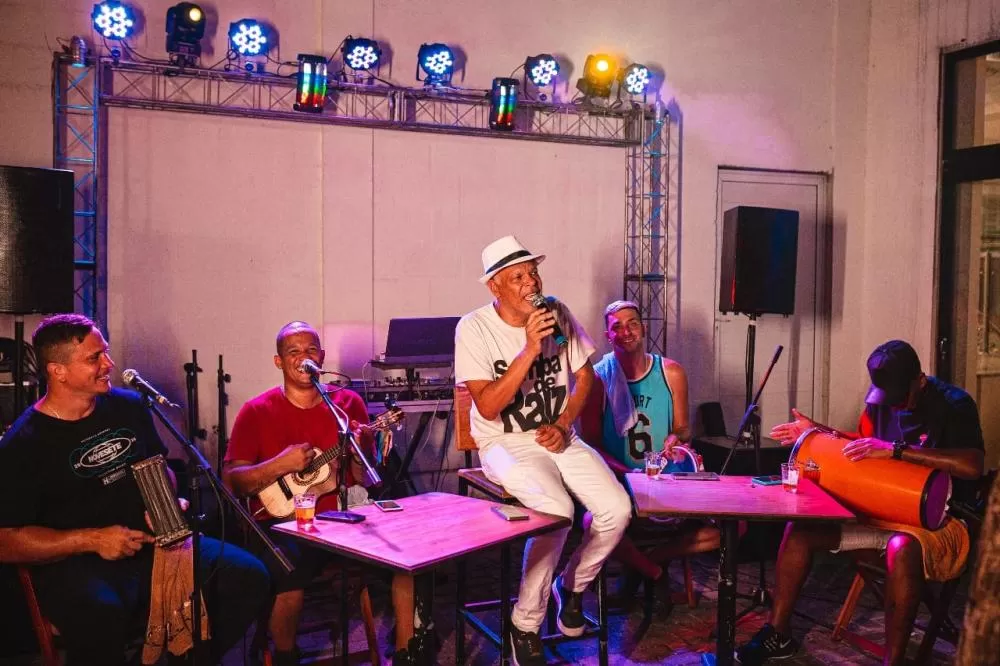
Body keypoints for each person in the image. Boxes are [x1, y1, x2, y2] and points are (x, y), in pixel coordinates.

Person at [0, 314, 270, 666]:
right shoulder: (23, 444)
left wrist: (165, 502)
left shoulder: (127, 406)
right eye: (94, 358)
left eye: (106, 352)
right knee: (100, 613)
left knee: (249, 577)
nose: (108, 364)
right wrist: (93, 539)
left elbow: (160, 467)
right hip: (77, 564)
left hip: (154, 546)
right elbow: (6, 541)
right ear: (58, 371)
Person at [736, 340, 986, 666]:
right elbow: (863, 445)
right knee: (801, 531)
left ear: (920, 380)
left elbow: (973, 465)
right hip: (881, 511)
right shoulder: (880, 401)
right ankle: (778, 633)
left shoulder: (954, 405)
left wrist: (897, 450)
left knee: (901, 548)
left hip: (939, 523)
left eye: (900, 399)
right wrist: (817, 431)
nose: (893, 407)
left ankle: (893, 662)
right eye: (887, 399)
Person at [455, 235, 632, 666]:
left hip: (557, 434)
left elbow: (585, 376)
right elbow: (489, 406)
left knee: (617, 509)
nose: (530, 282)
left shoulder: (556, 311)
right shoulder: (474, 328)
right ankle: (525, 622)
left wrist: (565, 421)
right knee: (557, 510)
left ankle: (570, 586)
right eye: (517, 276)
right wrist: (530, 348)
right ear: (495, 286)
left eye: (533, 272)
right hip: (502, 443)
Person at [223, 321, 419, 665]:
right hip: (283, 523)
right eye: (293, 352)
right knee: (287, 568)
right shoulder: (256, 411)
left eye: (311, 350)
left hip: (343, 518)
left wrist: (358, 451)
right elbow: (232, 482)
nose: (303, 358)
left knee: (407, 550)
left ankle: (407, 651)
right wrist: (281, 464)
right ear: (278, 361)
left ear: (322, 357)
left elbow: (362, 479)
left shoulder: (347, 405)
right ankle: (286, 657)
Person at [580, 300, 718, 605]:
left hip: (665, 480)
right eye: (617, 326)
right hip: (622, 481)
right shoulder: (598, 378)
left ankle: (651, 559)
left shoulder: (671, 372)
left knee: (734, 527)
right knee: (591, 523)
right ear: (607, 335)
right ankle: (654, 573)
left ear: (644, 328)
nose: (626, 331)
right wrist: (629, 473)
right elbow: (590, 446)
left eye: (632, 323)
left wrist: (676, 440)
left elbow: (683, 429)